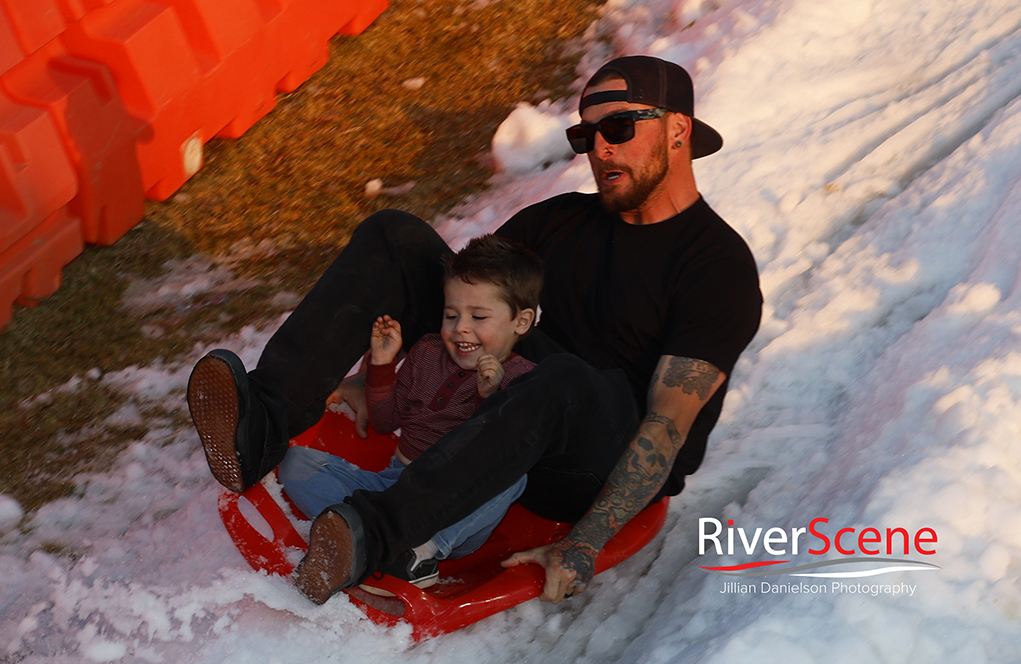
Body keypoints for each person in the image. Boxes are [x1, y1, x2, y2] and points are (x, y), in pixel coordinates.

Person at [186, 55, 762, 606]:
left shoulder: (716, 267)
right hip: (500, 405)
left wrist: (586, 540)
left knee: (563, 377)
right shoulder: (561, 220)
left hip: (589, 460)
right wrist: (377, 375)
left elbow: (666, 427)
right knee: (398, 238)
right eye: (586, 135)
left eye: (618, 126)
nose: (600, 147)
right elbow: (459, 296)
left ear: (679, 131)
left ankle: (374, 535)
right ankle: (259, 424)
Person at [275, 235, 541, 596]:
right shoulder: (428, 352)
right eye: (451, 314)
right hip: (396, 487)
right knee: (294, 464)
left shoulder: (522, 379)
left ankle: (417, 554)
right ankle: (363, 538)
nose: (460, 327)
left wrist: (487, 398)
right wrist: (382, 367)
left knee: (514, 477)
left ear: (521, 322)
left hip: (452, 511)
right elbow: (386, 423)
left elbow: (491, 453)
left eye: (478, 316)